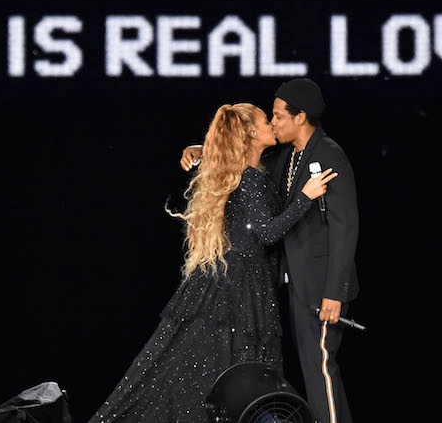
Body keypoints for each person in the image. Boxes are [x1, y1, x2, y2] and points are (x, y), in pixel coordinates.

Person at [88, 103, 337, 423]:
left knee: (215, 374)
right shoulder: (249, 179)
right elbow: (266, 233)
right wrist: (307, 195)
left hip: (229, 285)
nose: (273, 125)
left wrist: (198, 149)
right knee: (238, 379)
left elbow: (223, 154)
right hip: (239, 290)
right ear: (251, 131)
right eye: (266, 120)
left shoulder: (242, 170)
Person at [180, 78, 359, 423]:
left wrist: (335, 293)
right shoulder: (288, 158)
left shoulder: (328, 155)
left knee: (321, 370)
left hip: (322, 289)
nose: (273, 123)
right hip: (298, 286)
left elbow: (345, 228)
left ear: (301, 117)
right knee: (311, 370)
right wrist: (202, 150)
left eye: (278, 116)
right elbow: (239, 155)